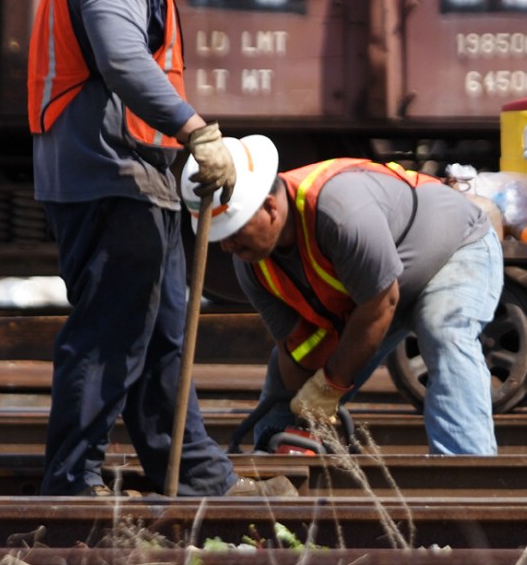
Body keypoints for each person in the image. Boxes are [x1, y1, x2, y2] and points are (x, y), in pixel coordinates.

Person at [27, 0, 294, 498]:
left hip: (133, 174)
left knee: (161, 334)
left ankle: (196, 474)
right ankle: (72, 488)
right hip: (111, 175)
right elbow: (120, 58)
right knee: (112, 334)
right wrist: (194, 129)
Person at [180, 136, 505, 455]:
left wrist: (330, 386)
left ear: (270, 208)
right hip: (380, 289)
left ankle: (467, 465)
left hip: (455, 249)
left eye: (233, 232)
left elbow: (381, 304)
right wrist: (301, 413)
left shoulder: (339, 213)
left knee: (443, 332)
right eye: (219, 237)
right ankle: (275, 468)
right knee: (284, 387)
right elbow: (296, 348)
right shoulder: (252, 265)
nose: (227, 247)